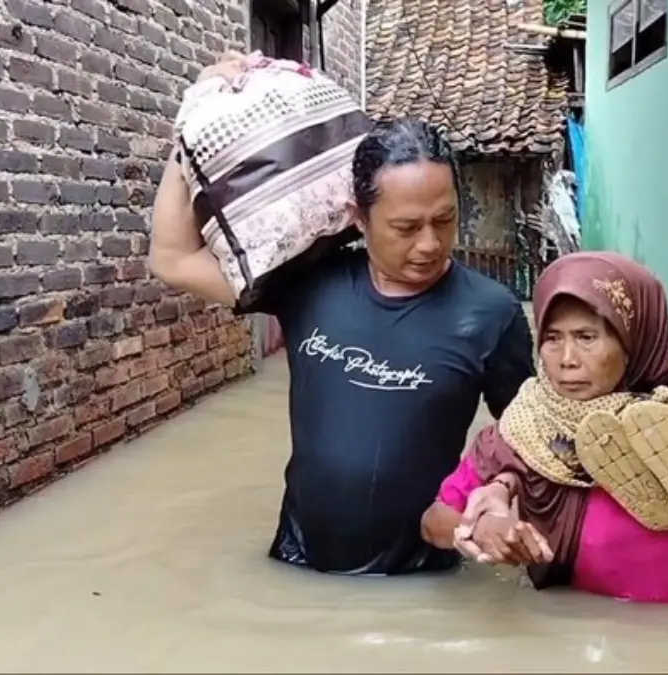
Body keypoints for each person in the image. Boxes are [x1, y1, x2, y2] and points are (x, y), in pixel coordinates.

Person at [149, 52, 535, 576]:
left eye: (444, 220)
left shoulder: (491, 313)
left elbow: (529, 437)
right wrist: (192, 125)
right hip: (296, 567)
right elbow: (172, 259)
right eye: (405, 227)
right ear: (359, 217)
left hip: (421, 576)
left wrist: (499, 494)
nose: (429, 243)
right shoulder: (308, 284)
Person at [420, 252, 668, 602]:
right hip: (572, 625)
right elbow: (433, 522)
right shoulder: (524, 427)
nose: (567, 360)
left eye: (586, 337)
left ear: (635, 340)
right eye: (552, 338)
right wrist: (482, 528)